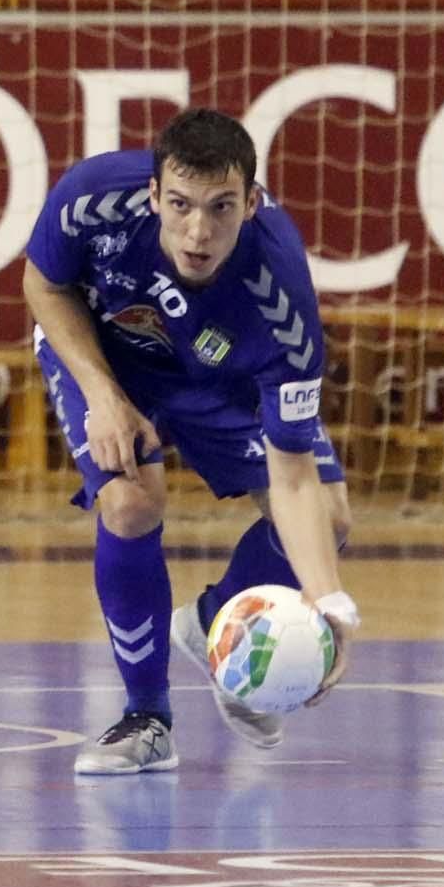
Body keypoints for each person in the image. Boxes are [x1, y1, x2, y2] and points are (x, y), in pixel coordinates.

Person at [22, 107, 359, 776]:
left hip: (221, 380)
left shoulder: (282, 304)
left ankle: (212, 624)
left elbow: (292, 476)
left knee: (331, 516)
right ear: (152, 195)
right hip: (110, 357)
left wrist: (329, 605)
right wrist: (104, 396)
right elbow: (44, 284)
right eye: (179, 205)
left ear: (252, 204)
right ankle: (147, 716)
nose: (198, 230)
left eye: (220, 208)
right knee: (129, 502)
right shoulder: (92, 198)